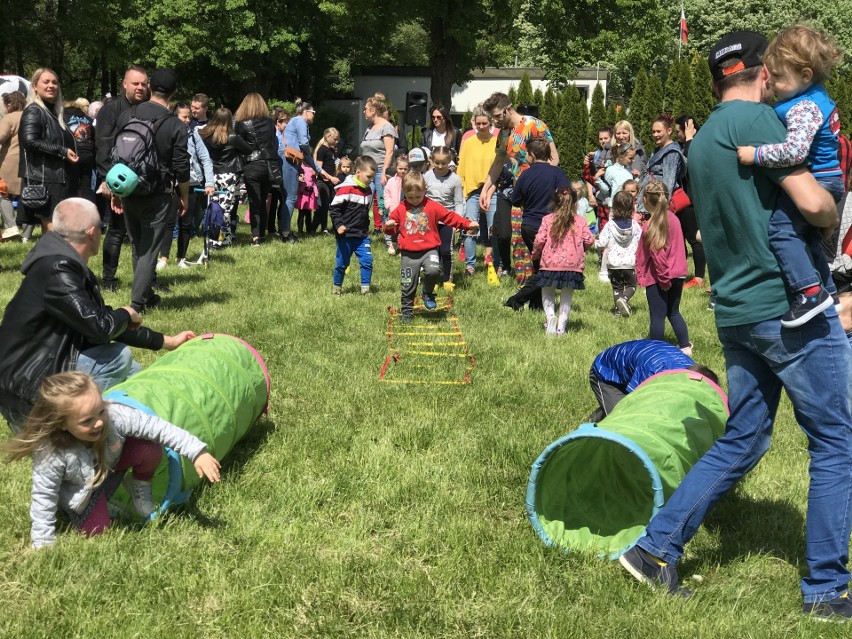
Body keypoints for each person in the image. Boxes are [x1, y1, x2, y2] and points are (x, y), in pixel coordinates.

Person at [619, 31, 852, 620]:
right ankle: (827, 590)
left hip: (736, 311)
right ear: (764, 72)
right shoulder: (760, 125)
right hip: (790, 309)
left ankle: (654, 549)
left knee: (744, 437)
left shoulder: (699, 143)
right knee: (837, 441)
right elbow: (818, 206)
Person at [0, 198, 194, 431]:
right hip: (29, 400)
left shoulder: (64, 263)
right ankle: (72, 434)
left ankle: (152, 425)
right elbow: (101, 327)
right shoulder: (58, 270)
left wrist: (167, 341)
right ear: (93, 233)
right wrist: (125, 312)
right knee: (116, 358)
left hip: (38, 380)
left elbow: (100, 321)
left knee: (132, 370)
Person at [6, 371, 220, 549]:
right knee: (99, 533)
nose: (99, 422)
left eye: (100, 412)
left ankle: (140, 484)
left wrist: (196, 452)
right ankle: (100, 506)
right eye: (87, 420)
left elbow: (158, 427)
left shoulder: (115, 416)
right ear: (63, 424)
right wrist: (43, 542)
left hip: (110, 468)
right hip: (84, 494)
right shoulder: (52, 453)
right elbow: (44, 495)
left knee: (149, 447)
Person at [735, 24, 843, 327]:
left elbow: (794, 152)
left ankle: (809, 293)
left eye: (779, 77)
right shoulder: (815, 97)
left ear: (805, 75)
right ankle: (829, 292)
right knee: (805, 238)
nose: (774, 83)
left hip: (819, 181)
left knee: (781, 233)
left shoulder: (803, 107)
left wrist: (754, 155)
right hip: (830, 179)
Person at [111, 68, 189, 312]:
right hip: (157, 194)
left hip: (129, 188)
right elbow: (181, 165)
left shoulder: (128, 115)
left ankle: (145, 293)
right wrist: (184, 196)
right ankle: (137, 304)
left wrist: (116, 191)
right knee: (149, 250)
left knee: (137, 245)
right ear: (174, 92)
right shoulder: (174, 124)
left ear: (150, 87)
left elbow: (117, 155)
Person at [479, 92, 558, 282]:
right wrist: (485, 188)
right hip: (516, 193)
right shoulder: (504, 133)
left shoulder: (535, 126)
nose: (496, 121)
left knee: (538, 239)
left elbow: (554, 158)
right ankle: (524, 282)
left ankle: (544, 280)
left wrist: (541, 182)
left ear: (508, 109)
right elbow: (498, 162)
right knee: (517, 238)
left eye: (498, 116)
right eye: (493, 118)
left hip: (538, 195)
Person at [385, 171, 477, 321]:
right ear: (404, 193)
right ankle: (407, 312)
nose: (414, 201)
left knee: (434, 270)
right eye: (410, 197)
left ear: (424, 190)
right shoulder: (401, 209)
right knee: (408, 283)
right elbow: (392, 228)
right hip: (409, 252)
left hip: (429, 249)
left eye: (418, 196)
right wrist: (388, 226)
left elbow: (449, 216)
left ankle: (427, 292)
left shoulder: (432, 206)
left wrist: (467, 224)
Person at [96, 65, 149, 293]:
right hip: (118, 180)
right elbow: (103, 146)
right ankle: (108, 280)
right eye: (135, 83)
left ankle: (148, 280)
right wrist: (108, 180)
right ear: (124, 85)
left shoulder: (150, 109)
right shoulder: (111, 111)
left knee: (146, 234)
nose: (140, 87)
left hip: (144, 182)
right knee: (116, 231)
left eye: (143, 84)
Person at [505, 137, 571, 311]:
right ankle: (518, 299)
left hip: (529, 226)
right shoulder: (557, 173)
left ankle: (536, 304)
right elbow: (566, 194)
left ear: (532, 155)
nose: (526, 156)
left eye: (526, 153)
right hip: (551, 226)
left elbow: (516, 201)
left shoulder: (525, 174)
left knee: (540, 266)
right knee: (546, 268)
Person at [18, 68, 79, 236]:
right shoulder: (34, 111)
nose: (51, 85)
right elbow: (29, 141)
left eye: (54, 82)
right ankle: (51, 259)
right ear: (35, 86)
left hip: (59, 178)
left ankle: (48, 259)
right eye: (46, 82)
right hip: (46, 179)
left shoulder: (54, 112)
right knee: (53, 226)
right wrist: (62, 151)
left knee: (56, 226)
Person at [589, 339, 718, 418]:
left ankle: (605, 408)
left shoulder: (690, 368)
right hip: (605, 372)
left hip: (636, 363)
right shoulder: (651, 373)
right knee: (624, 417)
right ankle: (589, 430)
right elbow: (639, 403)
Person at [530, 186, 594, 335]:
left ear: (554, 202)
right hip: (572, 265)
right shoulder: (580, 221)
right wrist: (581, 249)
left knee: (547, 291)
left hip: (550, 263)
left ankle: (551, 316)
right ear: (575, 203)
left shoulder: (547, 220)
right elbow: (589, 239)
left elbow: (539, 240)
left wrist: (535, 254)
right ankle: (561, 327)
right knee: (567, 295)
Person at [635, 182, 690, 353]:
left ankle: (655, 351)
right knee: (673, 312)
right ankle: (685, 346)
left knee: (657, 316)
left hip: (659, 277)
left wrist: (664, 279)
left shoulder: (651, 225)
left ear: (645, 199)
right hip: (678, 274)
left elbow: (658, 256)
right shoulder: (674, 219)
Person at [282, 100, 335, 241]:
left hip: (291, 161)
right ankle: (285, 233)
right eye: (313, 112)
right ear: (306, 112)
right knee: (291, 198)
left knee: (287, 197)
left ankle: (283, 230)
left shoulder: (295, 121)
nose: (314, 115)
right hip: (290, 161)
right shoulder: (300, 121)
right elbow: (304, 145)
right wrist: (317, 167)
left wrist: (318, 169)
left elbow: (305, 152)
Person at [200, 107, 252, 248]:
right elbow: (248, 149)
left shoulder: (206, 135)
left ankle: (221, 237)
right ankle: (218, 240)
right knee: (225, 208)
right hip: (228, 174)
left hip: (211, 174)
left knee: (213, 206)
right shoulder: (233, 137)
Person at [171, 101, 215, 268]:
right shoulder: (167, 133)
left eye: (189, 116)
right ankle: (163, 258)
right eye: (185, 117)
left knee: (186, 223)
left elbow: (205, 159)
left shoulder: (193, 134)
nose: (188, 120)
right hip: (172, 182)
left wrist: (209, 182)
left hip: (192, 182)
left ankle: (181, 257)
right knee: (168, 223)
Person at [457, 105, 498, 275]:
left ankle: (497, 264)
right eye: (478, 123)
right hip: (472, 191)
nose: (481, 127)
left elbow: (500, 169)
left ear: (491, 123)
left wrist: (489, 191)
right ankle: (470, 265)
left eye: (484, 123)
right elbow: (462, 169)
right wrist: (462, 192)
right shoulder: (468, 143)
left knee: (493, 228)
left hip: (492, 191)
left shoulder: (497, 142)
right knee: (470, 228)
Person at [235, 93, 278, 246]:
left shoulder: (241, 123)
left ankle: (255, 237)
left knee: (255, 202)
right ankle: (262, 234)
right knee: (264, 200)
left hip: (251, 164)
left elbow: (238, 145)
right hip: (268, 165)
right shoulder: (270, 122)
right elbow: (275, 143)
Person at [330, 156, 376, 296]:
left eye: (373, 177)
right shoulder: (346, 189)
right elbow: (334, 209)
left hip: (361, 235)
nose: (371, 180)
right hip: (346, 234)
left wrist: (366, 226)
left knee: (367, 260)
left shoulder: (368, 191)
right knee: (342, 263)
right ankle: (337, 288)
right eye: (368, 177)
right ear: (357, 172)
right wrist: (339, 225)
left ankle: (365, 290)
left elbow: (365, 212)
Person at [673, 112, 706, 290]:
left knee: (695, 239)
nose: (677, 135)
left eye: (679, 131)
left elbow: (691, 161)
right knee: (686, 238)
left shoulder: (694, 145)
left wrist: (689, 138)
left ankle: (699, 278)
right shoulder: (688, 144)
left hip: (692, 200)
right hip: (686, 199)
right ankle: (682, 273)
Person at [596, 190, 642, 317]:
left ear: (614, 207)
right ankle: (625, 300)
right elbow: (641, 241)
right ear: (632, 207)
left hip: (613, 264)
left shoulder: (610, 225)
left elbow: (602, 242)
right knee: (631, 285)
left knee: (617, 288)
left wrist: (595, 243)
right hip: (629, 263)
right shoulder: (635, 225)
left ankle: (618, 310)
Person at [424, 146, 465, 282]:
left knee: (446, 250)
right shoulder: (427, 176)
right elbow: (421, 197)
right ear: (431, 161)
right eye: (437, 163)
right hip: (429, 220)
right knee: (432, 250)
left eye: (444, 163)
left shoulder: (455, 179)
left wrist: (458, 220)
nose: (440, 166)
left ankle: (447, 279)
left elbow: (458, 201)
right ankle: (432, 277)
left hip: (447, 220)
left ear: (450, 161)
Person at [359, 93, 397, 235]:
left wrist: (385, 172)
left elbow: (389, 151)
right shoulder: (369, 128)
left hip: (381, 171)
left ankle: (390, 237)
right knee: (364, 201)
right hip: (366, 171)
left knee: (384, 204)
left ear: (373, 110)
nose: (364, 112)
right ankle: (361, 231)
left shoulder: (387, 127)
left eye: (366, 109)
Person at [0, 91, 25, 240]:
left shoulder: (9, 118)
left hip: (8, 162)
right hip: (27, 162)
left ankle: (11, 226)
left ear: (10, 104)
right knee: (27, 195)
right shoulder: (30, 116)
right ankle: (26, 232)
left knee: (4, 194)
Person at [63, 98, 96, 204]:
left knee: (70, 186)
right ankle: (88, 209)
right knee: (86, 186)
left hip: (72, 154)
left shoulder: (62, 118)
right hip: (88, 155)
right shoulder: (88, 119)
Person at [312, 127, 341, 234]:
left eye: (338, 139)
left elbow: (335, 163)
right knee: (323, 206)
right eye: (335, 139)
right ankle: (321, 227)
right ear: (328, 137)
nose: (336, 141)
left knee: (334, 204)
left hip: (331, 181)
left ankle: (335, 226)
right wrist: (330, 177)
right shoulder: (322, 150)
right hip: (323, 181)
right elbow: (319, 169)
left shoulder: (333, 150)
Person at [382, 154, 408, 254]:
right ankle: (393, 243)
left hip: (407, 210)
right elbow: (386, 193)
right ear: (396, 168)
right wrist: (388, 205)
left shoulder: (409, 180)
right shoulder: (392, 181)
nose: (402, 171)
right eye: (400, 168)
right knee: (394, 228)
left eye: (405, 169)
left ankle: (404, 247)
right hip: (394, 209)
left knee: (406, 228)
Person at [296, 164, 318, 235]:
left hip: (310, 195)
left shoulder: (312, 169)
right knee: (301, 213)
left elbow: (314, 182)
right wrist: (300, 189)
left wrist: (316, 191)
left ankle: (309, 230)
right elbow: (299, 182)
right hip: (302, 195)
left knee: (308, 214)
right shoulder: (300, 168)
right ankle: (300, 230)